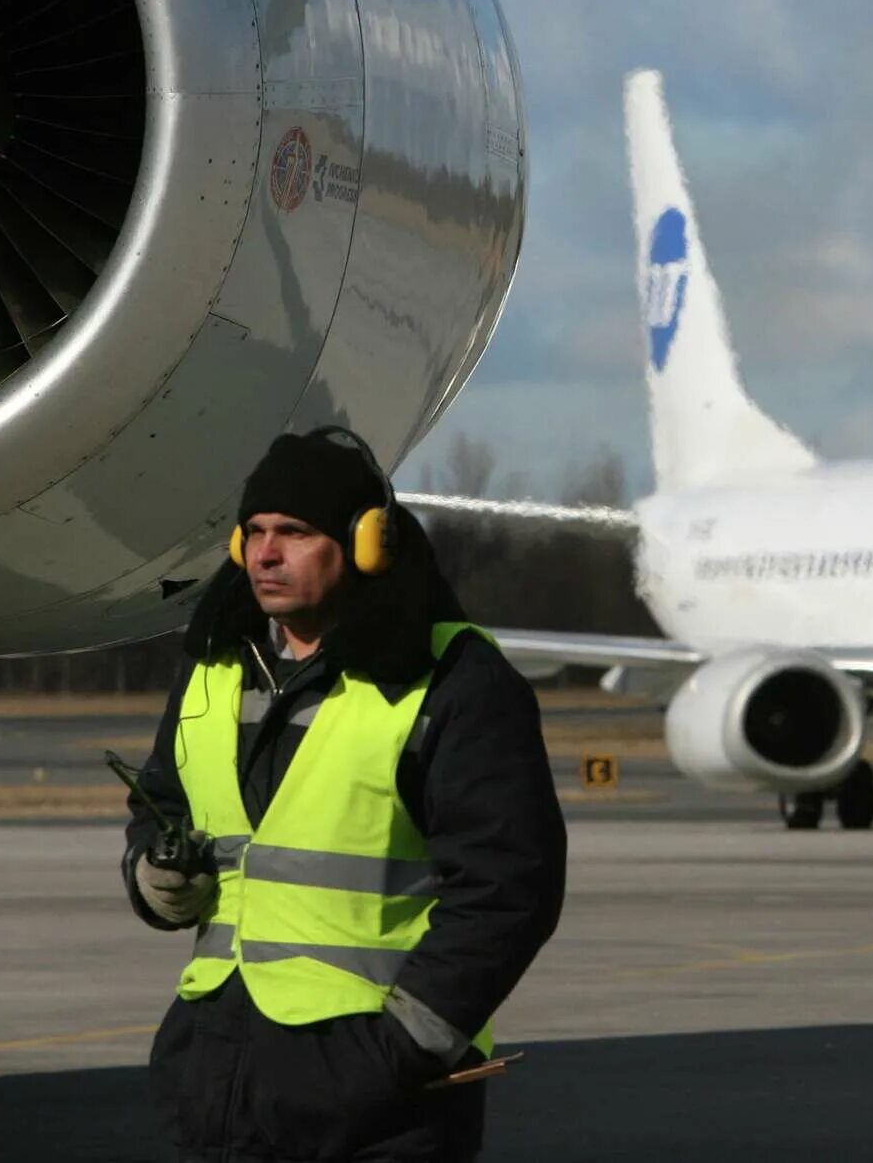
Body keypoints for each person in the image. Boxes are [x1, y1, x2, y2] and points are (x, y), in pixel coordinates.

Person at [121, 426, 566, 1162]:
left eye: (293, 532)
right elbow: (158, 803)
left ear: (367, 542)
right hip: (222, 1084)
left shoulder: (450, 679)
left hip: (381, 1106)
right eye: (254, 533)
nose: (265, 553)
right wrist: (154, 876)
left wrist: (401, 1047)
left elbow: (509, 888)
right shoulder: (214, 668)